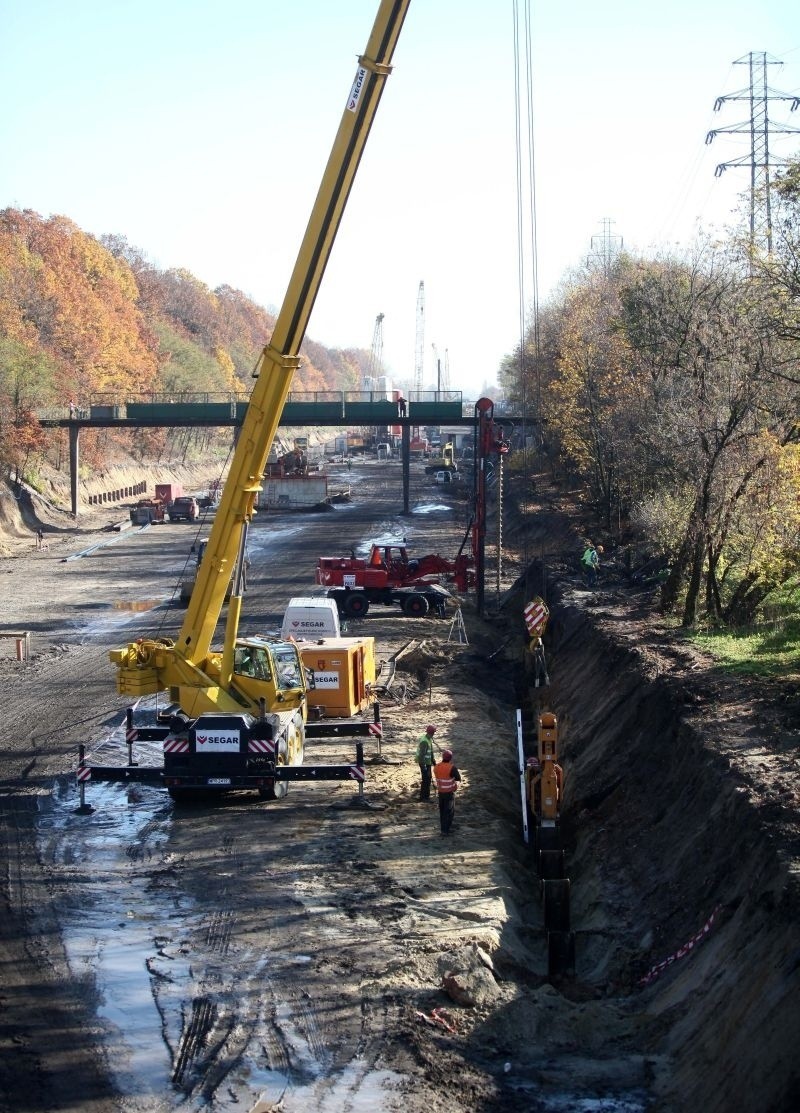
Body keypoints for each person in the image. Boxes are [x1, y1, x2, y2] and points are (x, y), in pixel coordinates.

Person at [433, 747, 461, 835]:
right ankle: (446, 830)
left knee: (442, 811)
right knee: (449, 812)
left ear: (442, 757)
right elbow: (458, 778)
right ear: (450, 758)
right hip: (449, 793)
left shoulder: (436, 767)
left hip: (441, 792)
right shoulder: (452, 768)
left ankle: (443, 829)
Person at [415, 724, 437, 800]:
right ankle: (424, 797)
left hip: (427, 763)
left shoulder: (429, 739)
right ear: (432, 733)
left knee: (428, 778)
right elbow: (421, 756)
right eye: (434, 732)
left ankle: (426, 796)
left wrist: (433, 761)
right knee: (426, 780)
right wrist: (424, 767)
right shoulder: (424, 741)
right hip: (424, 763)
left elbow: (431, 752)